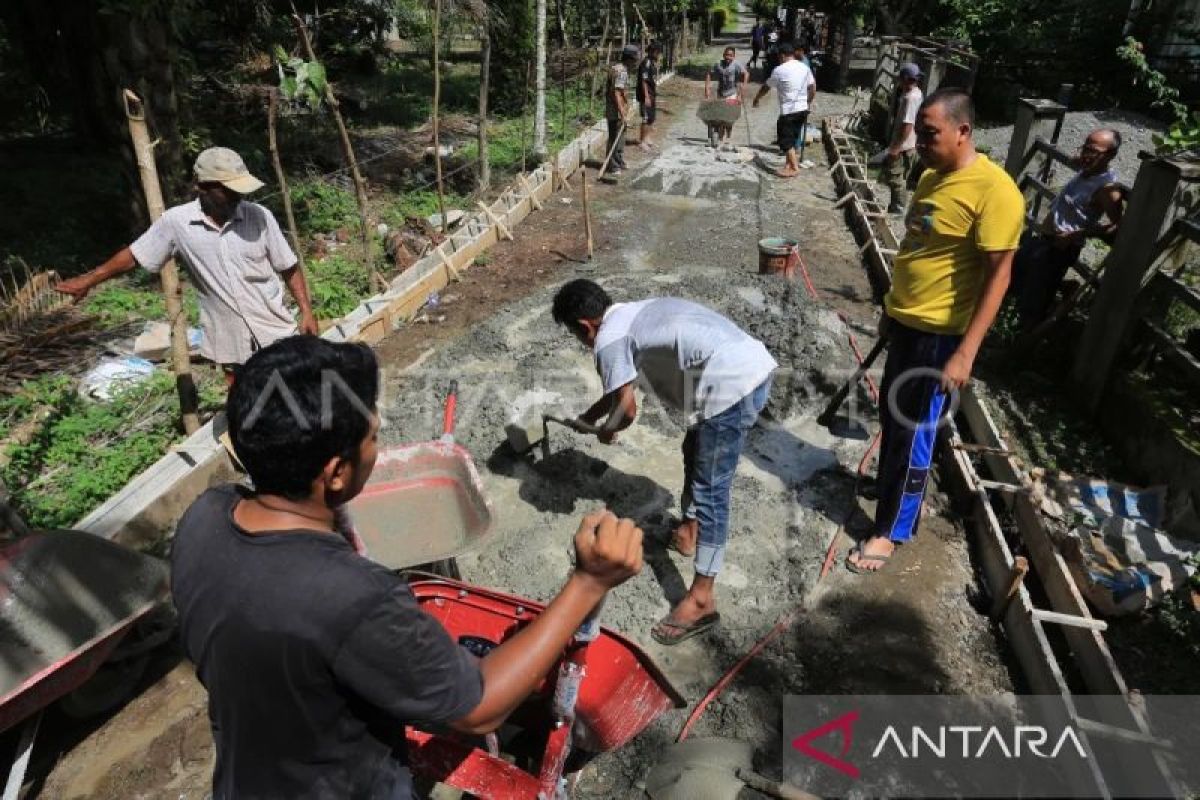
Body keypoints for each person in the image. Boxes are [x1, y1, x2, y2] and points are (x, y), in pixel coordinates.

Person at [171, 335, 644, 798]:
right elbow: (478, 708)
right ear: (336, 472)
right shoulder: (353, 597)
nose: (379, 449)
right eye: (373, 437)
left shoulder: (203, 519)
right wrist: (588, 582)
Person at [847, 89, 1024, 574]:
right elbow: (918, 247)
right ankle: (893, 492)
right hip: (907, 324)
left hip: (940, 337)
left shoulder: (995, 191)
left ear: (963, 131)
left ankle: (889, 530)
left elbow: (999, 276)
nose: (920, 143)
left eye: (931, 134)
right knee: (893, 420)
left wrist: (966, 352)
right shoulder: (931, 176)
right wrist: (892, 308)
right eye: (920, 135)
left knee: (912, 432)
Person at [551, 279, 777, 646]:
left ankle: (702, 599)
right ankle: (689, 534)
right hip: (752, 366)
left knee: (711, 491)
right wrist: (589, 418)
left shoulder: (608, 340)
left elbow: (624, 410)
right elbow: (620, 391)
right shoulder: (633, 314)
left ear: (584, 326)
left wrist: (607, 431)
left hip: (731, 386)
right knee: (695, 448)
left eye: (578, 337)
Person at [56, 147, 318, 385]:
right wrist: (89, 280)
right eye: (227, 191)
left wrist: (306, 311)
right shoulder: (177, 223)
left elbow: (288, 266)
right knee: (245, 399)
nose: (236, 197)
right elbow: (134, 255)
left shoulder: (259, 216)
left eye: (239, 190)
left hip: (272, 324)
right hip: (227, 334)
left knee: (297, 389)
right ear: (202, 187)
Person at [1008, 128, 1124, 329]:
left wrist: (1079, 234)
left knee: (1034, 300)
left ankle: (1024, 338)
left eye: (1093, 151)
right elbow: (1079, 161)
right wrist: (1082, 160)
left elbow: (1120, 226)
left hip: (1060, 248)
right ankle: (1063, 288)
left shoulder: (1107, 190)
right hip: (1044, 239)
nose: (1086, 155)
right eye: (1085, 148)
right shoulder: (1088, 169)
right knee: (1015, 275)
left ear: (1111, 155)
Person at [752, 42, 817, 178]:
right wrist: (808, 101)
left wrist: (757, 98)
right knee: (793, 138)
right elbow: (812, 87)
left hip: (789, 111)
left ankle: (794, 167)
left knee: (785, 140)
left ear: (781, 55)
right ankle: (788, 165)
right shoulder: (804, 67)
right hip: (802, 109)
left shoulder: (779, 70)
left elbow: (766, 86)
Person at [883, 63, 924, 214]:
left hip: (905, 145)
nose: (898, 81)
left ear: (906, 79)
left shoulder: (910, 98)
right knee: (901, 177)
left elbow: (908, 124)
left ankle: (898, 207)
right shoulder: (917, 93)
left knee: (895, 177)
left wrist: (896, 147)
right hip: (910, 144)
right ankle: (896, 205)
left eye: (900, 78)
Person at [605, 45, 640, 179]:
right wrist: (622, 113)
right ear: (630, 59)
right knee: (615, 137)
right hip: (615, 111)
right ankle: (613, 165)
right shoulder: (621, 72)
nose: (636, 62)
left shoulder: (618, 68)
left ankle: (618, 161)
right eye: (635, 59)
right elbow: (616, 94)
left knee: (620, 137)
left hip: (618, 110)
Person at [704, 46, 749, 148]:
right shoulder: (718, 64)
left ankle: (728, 137)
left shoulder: (736, 65)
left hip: (732, 93)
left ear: (734, 56)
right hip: (721, 93)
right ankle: (720, 137)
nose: (728, 57)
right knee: (720, 116)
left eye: (731, 55)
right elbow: (708, 73)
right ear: (723, 55)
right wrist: (707, 88)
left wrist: (743, 89)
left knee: (729, 117)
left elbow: (746, 74)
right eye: (726, 55)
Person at [637, 42, 663, 152]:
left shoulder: (652, 62)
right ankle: (642, 141)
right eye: (658, 53)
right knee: (646, 118)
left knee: (651, 117)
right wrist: (646, 96)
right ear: (654, 52)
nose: (659, 55)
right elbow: (643, 81)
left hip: (652, 93)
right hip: (646, 95)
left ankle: (647, 138)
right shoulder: (646, 62)